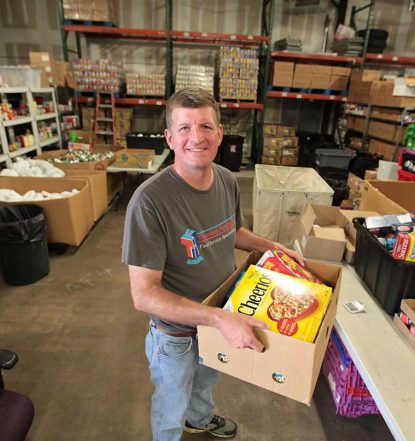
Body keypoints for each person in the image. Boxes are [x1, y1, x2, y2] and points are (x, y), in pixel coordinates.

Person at [122, 87, 304, 441]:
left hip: (220, 316)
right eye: (185, 128)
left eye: (205, 126)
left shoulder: (226, 179)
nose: (196, 137)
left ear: (220, 134)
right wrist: (219, 319)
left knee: (206, 382)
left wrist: (273, 247)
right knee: (171, 403)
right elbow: (143, 295)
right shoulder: (149, 202)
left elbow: (232, 231)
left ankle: (200, 419)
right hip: (176, 336)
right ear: (169, 138)